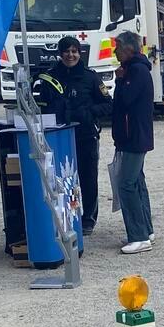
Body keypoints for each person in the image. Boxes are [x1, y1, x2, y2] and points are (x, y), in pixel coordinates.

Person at [47, 36, 112, 235]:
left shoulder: (90, 78)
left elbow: (108, 104)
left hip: (85, 136)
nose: (70, 55)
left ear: (79, 53)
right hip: (59, 137)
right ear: (60, 54)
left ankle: (88, 219)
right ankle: (68, 214)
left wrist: (90, 112)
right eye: (66, 51)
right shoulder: (50, 77)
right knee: (64, 180)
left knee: (88, 179)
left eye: (74, 51)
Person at [111, 31, 155, 254]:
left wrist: (119, 81)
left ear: (128, 49)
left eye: (117, 47)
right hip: (135, 135)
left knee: (126, 184)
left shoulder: (135, 71)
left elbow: (125, 100)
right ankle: (146, 229)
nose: (115, 51)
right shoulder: (139, 68)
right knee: (137, 181)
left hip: (133, 136)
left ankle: (139, 236)